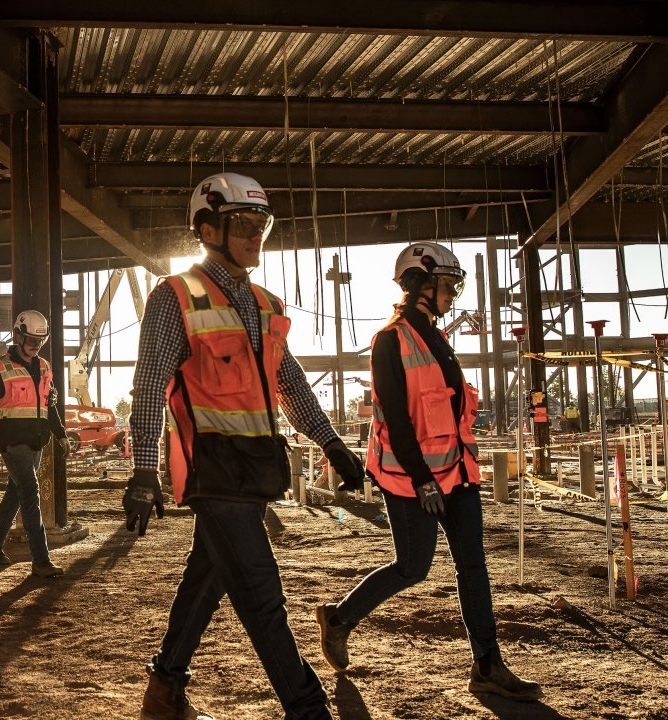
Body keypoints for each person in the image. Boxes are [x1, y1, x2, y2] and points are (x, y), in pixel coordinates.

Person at [125, 172, 367, 720]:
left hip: (256, 470)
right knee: (262, 596)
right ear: (207, 227)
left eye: (262, 225)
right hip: (214, 471)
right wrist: (143, 472)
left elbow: (290, 382)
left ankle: (164, 691)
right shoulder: (176, 296)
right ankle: (307, 709)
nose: (255, 235)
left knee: (207, 579)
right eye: (243, 224)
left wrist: (330, 442)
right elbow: (149, 384)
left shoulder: (264, 302)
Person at [315, 242, 542, 702]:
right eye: (448, 285)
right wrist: (421, 480)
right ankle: (339, 619)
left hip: (456, 474)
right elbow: (396, 419)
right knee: (413, 567)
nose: (452, 294)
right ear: (421, 284)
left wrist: (449, 473)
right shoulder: (390, 341)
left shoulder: (437, 337)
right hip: (408, 477)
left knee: (472, 566)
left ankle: (487, 664)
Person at [0, 310, 67, 579]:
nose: (35, 346)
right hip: (12, 443)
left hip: (37, 441)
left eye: (40, 341)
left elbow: (49, 407)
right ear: (17, 336)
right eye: (29, 340)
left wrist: (60, 434)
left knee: (16, 493)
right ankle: (41, 560)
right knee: (30, 492)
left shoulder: (45, 368)